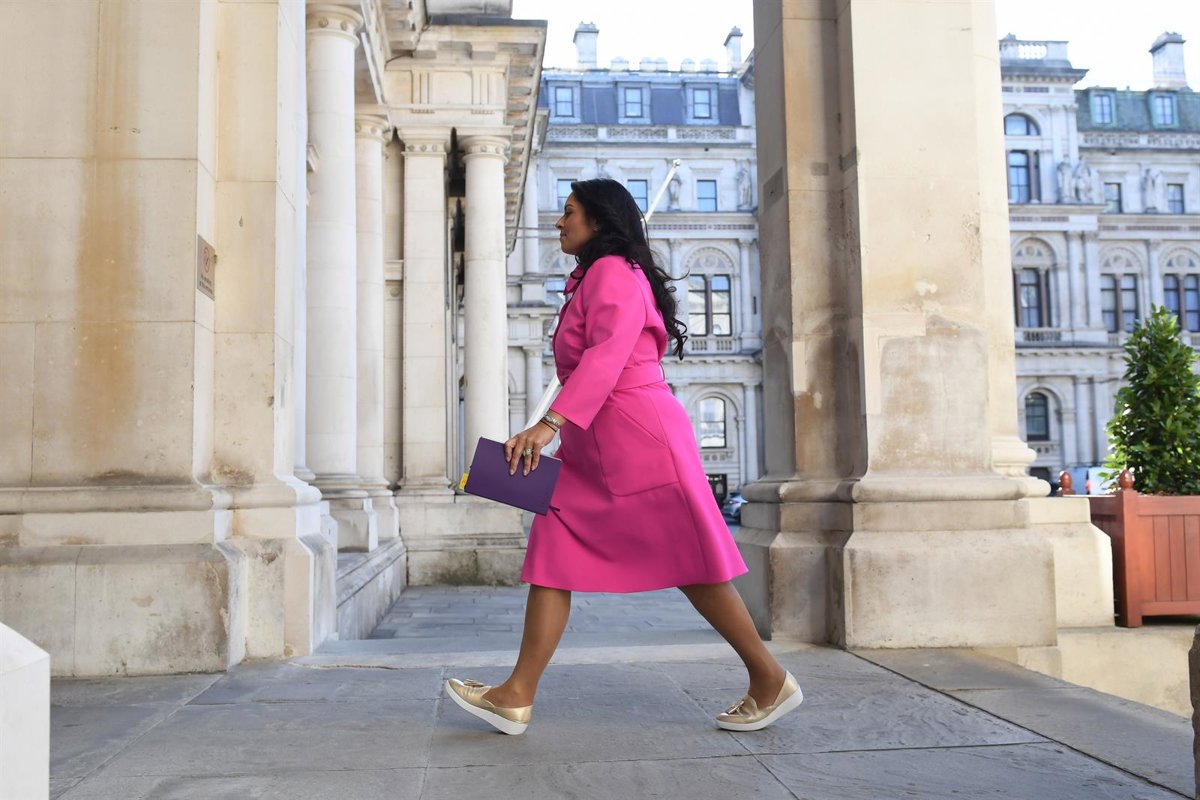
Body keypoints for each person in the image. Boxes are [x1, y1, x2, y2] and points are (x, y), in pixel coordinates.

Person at [444, 178, 802, 736]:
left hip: (637, 439)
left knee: (693, 563)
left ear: (598, 220)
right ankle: (516, 694)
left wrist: (548, 425)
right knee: (555, 547)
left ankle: (769, 677)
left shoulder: (612, 270)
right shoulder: (596, 275)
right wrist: (559, 429)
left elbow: (607, 356)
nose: (559, 221)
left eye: (569, 212)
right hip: (600, 442)